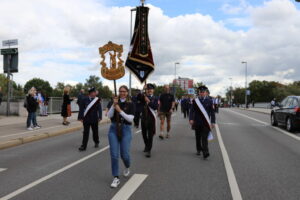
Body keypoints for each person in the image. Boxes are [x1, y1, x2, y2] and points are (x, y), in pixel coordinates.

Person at [107, 85, 135, 188]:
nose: (122, 93)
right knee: (114, 155)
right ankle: (116, 177)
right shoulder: (114, 102)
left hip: (126, 129)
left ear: (127, 92)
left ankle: (127, 166)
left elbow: (130, 119)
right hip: (113, 128)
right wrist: (113, 106)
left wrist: (120, 111)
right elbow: (109, 116)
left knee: (125, 154)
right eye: (120, 91)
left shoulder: (131, 104)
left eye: (124, 91)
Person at [189, 86, 215, 159]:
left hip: (205, 123)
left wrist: (213, 122)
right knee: (198, 137)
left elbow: (212, 112)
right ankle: (198, 149)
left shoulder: (210, 101)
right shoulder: (195, 101)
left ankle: (205, 152)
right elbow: (191, 111)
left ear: (206, 93)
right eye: (201, 92)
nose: (202, 93)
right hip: (197, 122)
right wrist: (191, 119)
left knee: (204, 138)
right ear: (199, 93)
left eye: (203, 92)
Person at [140, 84, 158, 158]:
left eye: (150, 89)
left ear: (153, 90)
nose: (149, 90)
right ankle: (146, 145)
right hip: (143, 118)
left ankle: (149, 150)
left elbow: (155, 107)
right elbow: (137, 97)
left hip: (151, 119)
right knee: (144, 134)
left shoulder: (156, 98)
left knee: (150, 135)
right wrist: (142, 89)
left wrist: (149, 102)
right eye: (147, 89)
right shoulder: (143, 97)